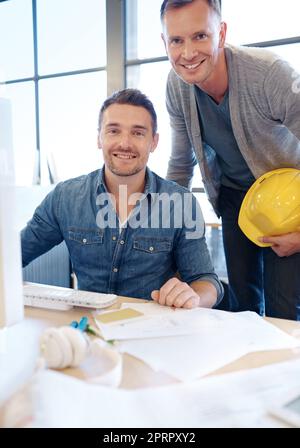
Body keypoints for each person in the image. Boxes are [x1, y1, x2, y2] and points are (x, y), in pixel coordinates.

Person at [160, 0, 300, 319]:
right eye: (176, 40)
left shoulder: (269, 74)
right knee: (243, 304)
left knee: (284, 309)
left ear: (221, 33)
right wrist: (161, 232)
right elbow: (181, 166)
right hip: (235, 199)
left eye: (200, 36)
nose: (188, 53)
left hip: (290, 204)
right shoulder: (176, 86)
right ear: (165, 43)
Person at [21, 88, 223, 309]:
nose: (125, 143)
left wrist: (193, 297)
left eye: (138, 133)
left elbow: (207, 281)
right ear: (100, 137)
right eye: (114, 131)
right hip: (88, 331)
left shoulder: (181, 203)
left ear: (153, 142)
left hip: (151, 331)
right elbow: (15, 255)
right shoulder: (65, 198)